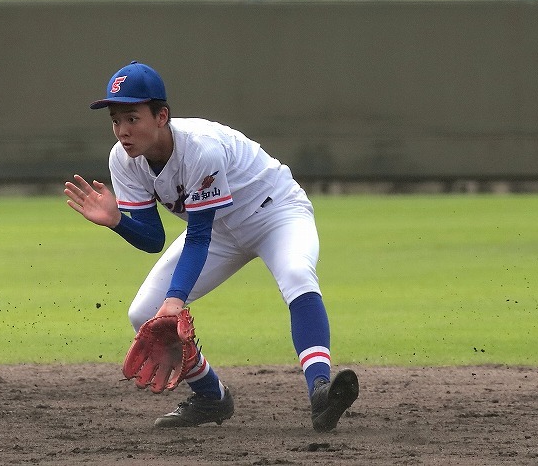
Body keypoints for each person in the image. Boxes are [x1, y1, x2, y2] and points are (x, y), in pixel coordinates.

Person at [64, 61, 358, 432]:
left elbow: (198, 235)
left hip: (275, 213)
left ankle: (320, 391)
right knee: (144, 314)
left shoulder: (200, 149)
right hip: (220, 230)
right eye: (116, 120)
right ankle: (210, 397)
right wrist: (118, 222)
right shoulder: (124, 159)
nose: (123, 131)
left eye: (132, 118)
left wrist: (176, 300)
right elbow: (154, 240)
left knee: (297, 273)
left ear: (161, 116)